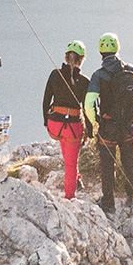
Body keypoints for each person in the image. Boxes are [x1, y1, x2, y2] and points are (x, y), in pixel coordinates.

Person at [83, 31, 133, 213]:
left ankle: (108, 204)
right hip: (128, 126)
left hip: (108, 127)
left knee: (107, 166)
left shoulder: (99, 75)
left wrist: (95, 122)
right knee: (128, 161)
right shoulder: (130, 70)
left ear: (100, 52)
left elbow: (88, 104)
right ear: (117, 49)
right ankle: (132, 197)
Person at [42, 40, 90, 199]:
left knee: (67, 148)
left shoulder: (55, 74)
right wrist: (89, 130)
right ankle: (69, 196)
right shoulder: (85, 82)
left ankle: (77, 179)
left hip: (54, 125)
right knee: (71, 163)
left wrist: (46, 122)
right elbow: (87, 109)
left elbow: (46, 100)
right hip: (73, 127)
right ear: (82, 59)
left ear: (65, 57)